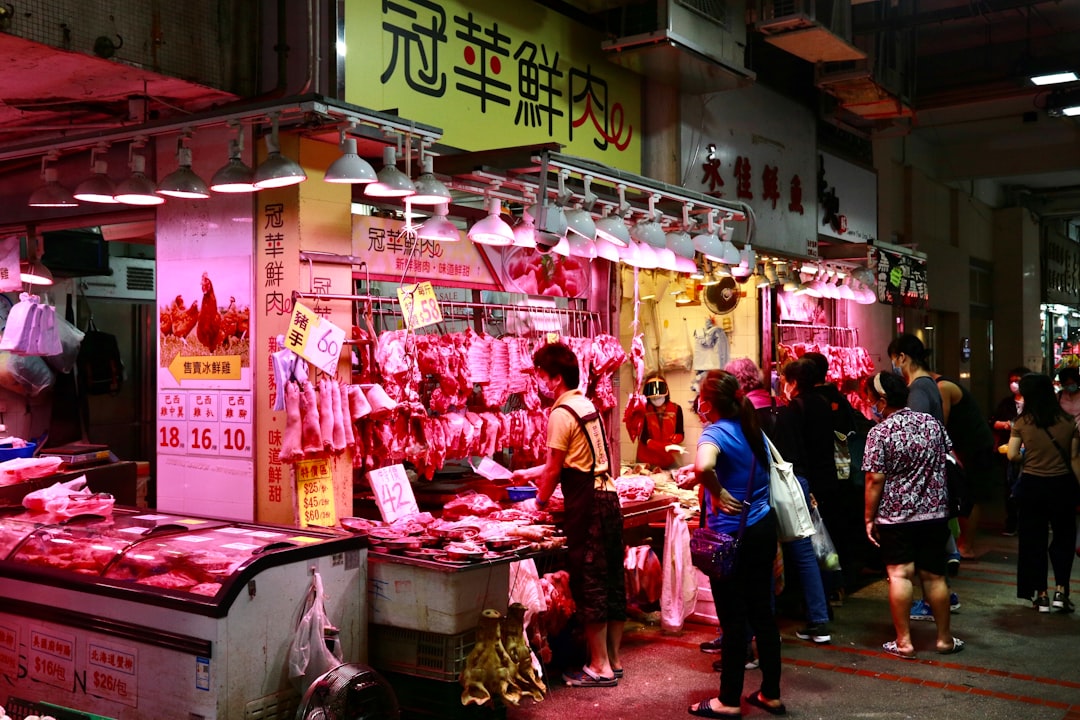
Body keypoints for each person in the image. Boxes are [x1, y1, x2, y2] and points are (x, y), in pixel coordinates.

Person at [510, 342, 626, 687]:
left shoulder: (560, 413)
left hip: (588, 503)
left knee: (588, 582)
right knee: (611, 582)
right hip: (608, 497)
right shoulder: (585, 404)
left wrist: (539, 503)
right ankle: (614, 661)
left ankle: (599, 667)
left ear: (556, 378)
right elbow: (569, 459)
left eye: (543, 376)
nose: (540, 383)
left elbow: (556, 467)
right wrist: (531, 475)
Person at [682, 370, 785, 718]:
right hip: (761, 529)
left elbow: (704, 464)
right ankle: (771, 694)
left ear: (707, 403)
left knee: (733, 620)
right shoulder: (752, 429)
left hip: (730, 539)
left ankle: (728, 700)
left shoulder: (714, 432)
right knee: (763, 615)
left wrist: (718, 492)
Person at [862, 371, 965, 658]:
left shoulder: (880, 433)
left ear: (882, 401)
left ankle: (904, 642)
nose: (870, 404)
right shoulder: (931, 423)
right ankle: (945, 639)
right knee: (935, 577)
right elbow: (949, 458)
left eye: (871, 400)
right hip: (934, 514)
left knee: (899, 575)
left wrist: (869, 518)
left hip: (896, 517)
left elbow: (874, 480)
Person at [735, 356, 832, 644]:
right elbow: (800, 450)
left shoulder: (749, 414)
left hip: (765, 488)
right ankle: (819, 622)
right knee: (803, 554)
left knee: (763, 555)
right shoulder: (784, 408)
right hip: (794, 484)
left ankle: (763, 630)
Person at [886, 334, 962, 618]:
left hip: (922, 482)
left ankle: (934, 603)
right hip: (934, 477)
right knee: (934, 554)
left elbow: (913, 435)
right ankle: (941, 599)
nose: (894, 364)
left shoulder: (917, 389)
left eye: (894, 358)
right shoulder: (930, 383)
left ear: (902, 357)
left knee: (923, 561)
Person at [773, 358, 846, 600]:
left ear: (793, 382)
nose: (782, 384)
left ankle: (815, 596)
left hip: (810, 481)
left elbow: (796, 448)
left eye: (784, 380)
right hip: (829, 477)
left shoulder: (796, 407)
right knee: (826, 539)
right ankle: (833, 586)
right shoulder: (823, 402)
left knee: (810, 544)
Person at [1005, 372, 1078, 613]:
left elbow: (1012, 455)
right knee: (1064, 538)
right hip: (1063, 486)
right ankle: (1061, 591)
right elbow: (1075, 459)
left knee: (1033, 540)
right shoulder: (1068, 421)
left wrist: (1028, 454)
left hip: (1032, 486)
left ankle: (1042, 595)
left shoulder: (1022, 423)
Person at [934, 371, 996, 558]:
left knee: (970, 495)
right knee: (967, 495)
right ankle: (962, 544)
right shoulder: (943, 386)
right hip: (970, 447)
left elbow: (941, 424)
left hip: (973, 448)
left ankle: (966, 546)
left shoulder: (942, 387)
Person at [992, 367, 1030, 536]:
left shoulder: (1033, 403)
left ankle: (1027, 521)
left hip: (1030, 449)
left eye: (1018, 380)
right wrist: (1004, 424)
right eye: (1012, 381)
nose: (1014, 384)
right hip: (1009, 448)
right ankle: (1012, 522)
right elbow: (993, 421)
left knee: (1028, 485)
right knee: (1010, 485)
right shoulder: (1006, 403)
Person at [636, 373, 686, 470]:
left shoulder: (676, 409)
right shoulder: (643, 410)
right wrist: (657, 445)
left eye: (659, 397)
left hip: (668, 459)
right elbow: (643, 436)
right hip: (646, 459)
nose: (656, 399)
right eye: (653, 398)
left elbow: (680, 432)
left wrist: (677, 438)